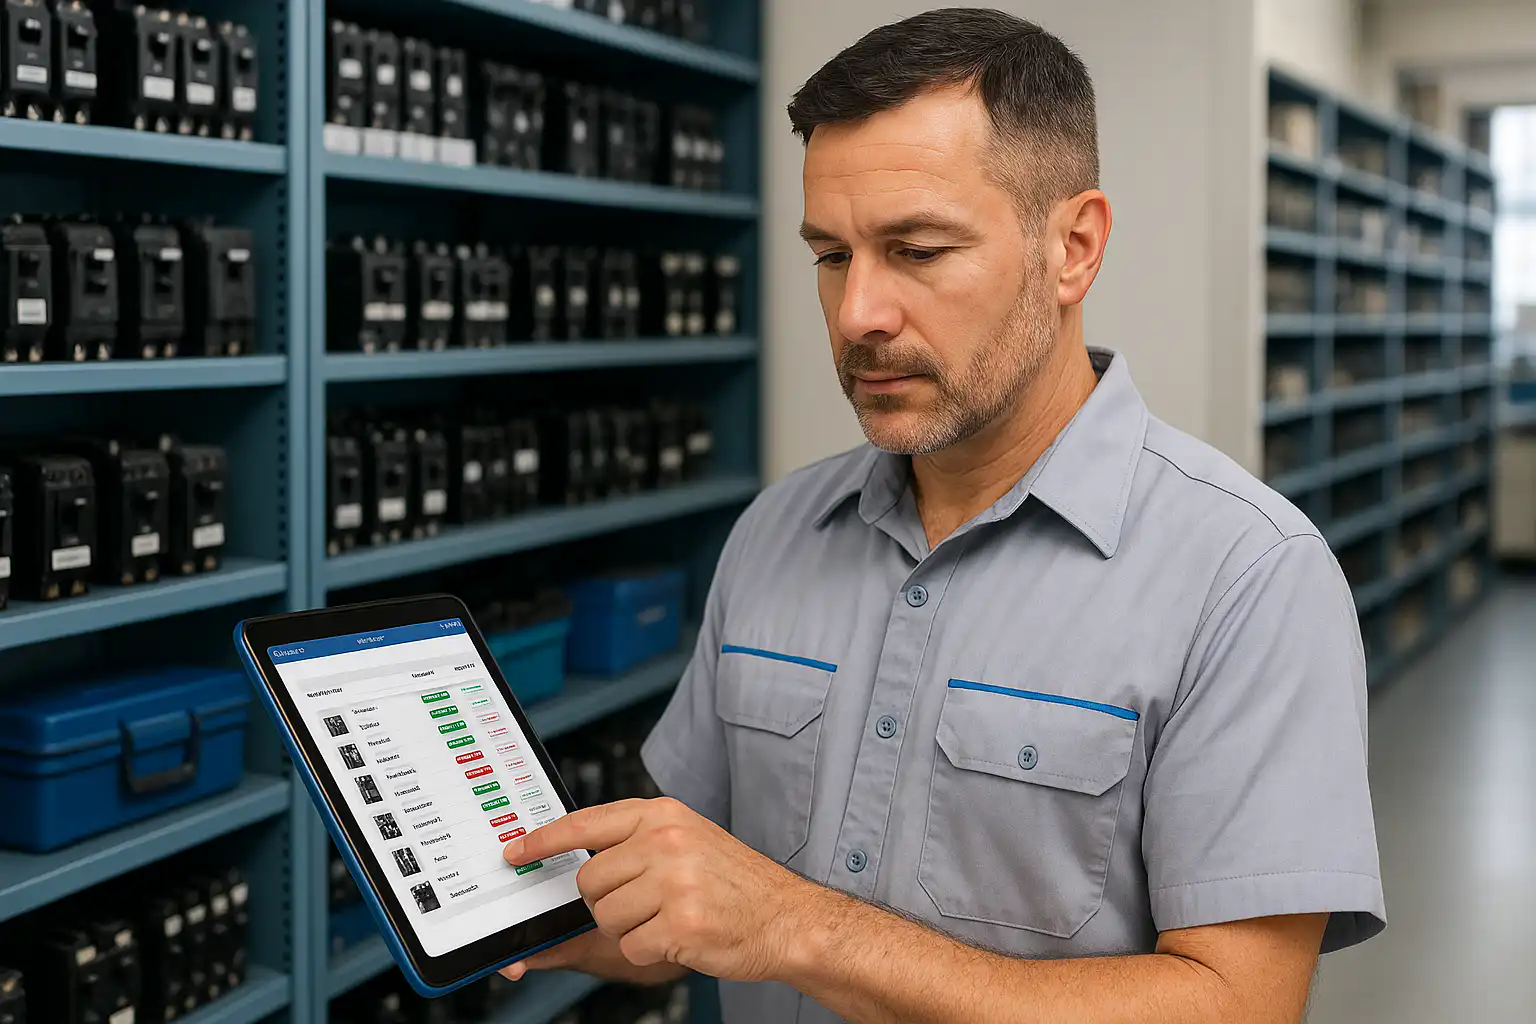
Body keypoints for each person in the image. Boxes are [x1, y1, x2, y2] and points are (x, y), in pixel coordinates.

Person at [499, 9, 1385, 1022]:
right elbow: (694, 904)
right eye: (831, 255)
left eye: (916, 249)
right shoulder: (777, 532)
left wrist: (802, 926)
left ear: (1075, 248)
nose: (857, 314)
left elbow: (1239, 1005)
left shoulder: (1249, 576)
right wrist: (504, 908)